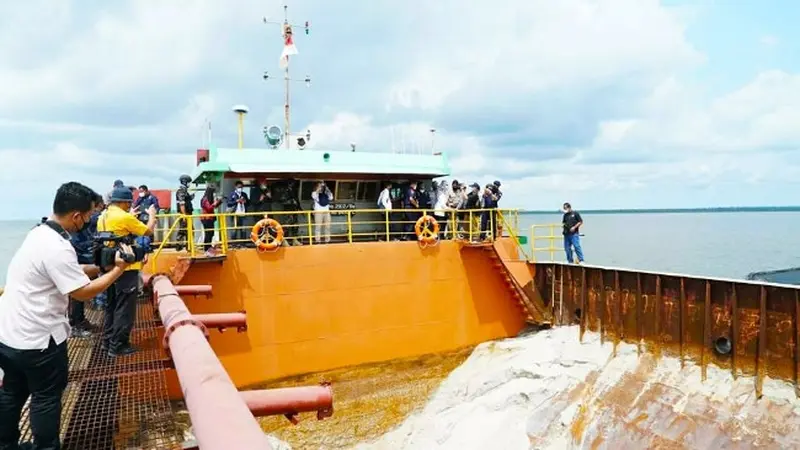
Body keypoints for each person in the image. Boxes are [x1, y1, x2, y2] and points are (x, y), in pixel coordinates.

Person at [0, 182, 133, 450]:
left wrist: (100, 266)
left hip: (8, 335)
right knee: (46, 398)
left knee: (11, 393)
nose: (87, 222)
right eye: (87, 216)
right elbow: (82, 293)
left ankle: (6, 445)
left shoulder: (38, 235)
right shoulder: (58, 247)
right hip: (39, 341)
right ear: (76, 215)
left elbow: (66, 270)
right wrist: (119, 270)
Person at [97, 187, 158, 357]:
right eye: (128, 203)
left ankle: (108, 342)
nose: (129, 205)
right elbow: (148, 231)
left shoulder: (103, 216)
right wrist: (152, 215)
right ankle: (119, 346)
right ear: (124, 202)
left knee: (111, 306)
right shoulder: (123, 217)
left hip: (109, 267)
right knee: (125, 308)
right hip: (126, 268)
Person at [67, 193, 105, 338]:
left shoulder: (84, 220)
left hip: (84, 255)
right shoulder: (84, 219)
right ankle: (74, 325)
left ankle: (80, 320)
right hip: (79, 256)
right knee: (76, 294)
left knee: (80, 296)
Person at [200, 185, 223, 254]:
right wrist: (215, 202)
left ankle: (208, 247)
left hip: (210, 219)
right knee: (208, 233)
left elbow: (213, 207)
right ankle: (206, 248)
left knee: (211, 233)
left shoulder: (209, 199)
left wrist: (219, 202)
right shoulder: (205, 199)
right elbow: (209, 208)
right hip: (206, 219)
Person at [226, 180, 250, 247]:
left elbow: (248, 203)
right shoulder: (232, 194)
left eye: (241, 187)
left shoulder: (244, 194)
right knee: (234, 229)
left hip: (243, 214)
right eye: (239, 187)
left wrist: (245, 201)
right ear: (235, 187)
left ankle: (243, 244)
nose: (240, 188)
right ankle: (234, 244)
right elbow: (229, 203)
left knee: (243, 229)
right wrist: (236, 201)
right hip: (235, 214)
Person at [175, 174, 194, 251]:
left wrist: (191, 197)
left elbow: (186, 201)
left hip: (188, 214)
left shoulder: (185, 191)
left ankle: (188, 247)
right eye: (189, 182)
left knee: (189, 230)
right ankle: (180, 247)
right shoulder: (181, 191)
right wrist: (184, 215)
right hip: (185, 215)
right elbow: (182, 204)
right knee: (183, 231)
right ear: (185, 182)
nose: (189, 184)